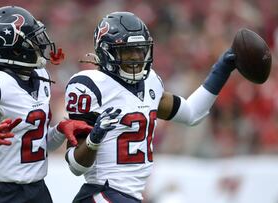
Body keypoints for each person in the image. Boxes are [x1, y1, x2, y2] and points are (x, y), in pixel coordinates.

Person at [64, 11, 236, 202]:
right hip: (102, 192)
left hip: (130, 196)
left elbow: (193, 113)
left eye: (140, 50)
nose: (136, 58)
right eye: (128, 51)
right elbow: (75, 166)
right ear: (107, 52)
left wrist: (223, 68)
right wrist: (93, 139)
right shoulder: (89, 86)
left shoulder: (150, 83)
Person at [0, 6, 92, 203]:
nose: (39, 44)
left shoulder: (40, 76)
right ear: (14, 50)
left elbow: (37, 145)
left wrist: (60, 129)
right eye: (32, 41)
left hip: (37, 191)